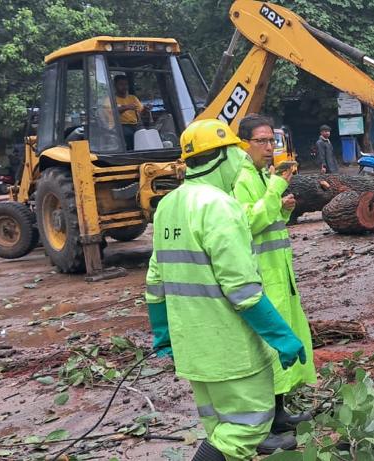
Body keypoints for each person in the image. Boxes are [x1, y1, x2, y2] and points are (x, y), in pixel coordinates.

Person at [145, 119, 306, 460]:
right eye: (237, 152)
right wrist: (282, 337)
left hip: (193, 348)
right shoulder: (220, 206)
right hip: (229, 348)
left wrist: (163, 333)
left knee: (218, 426)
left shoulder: (168, 206)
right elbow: (242, 289)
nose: (242, 160)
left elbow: (155, 281)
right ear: (222, 157)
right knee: (246, 427)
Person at [232, 114, 317, 438]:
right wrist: (277, 189)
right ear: (245, 143)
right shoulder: (241, 178)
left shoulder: (258, 174)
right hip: (260, 278)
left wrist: (283, 207)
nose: (269, 148)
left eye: (273, 141)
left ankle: (279, 414)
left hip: (279, 274)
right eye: (262, 141)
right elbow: (248, 222)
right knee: (264, 351)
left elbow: (266, 217)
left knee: (280, 344)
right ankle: (261, 427)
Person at [114, 75, 148, 150]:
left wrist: (145, 109)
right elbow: (112, 112)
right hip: (121, 125)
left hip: (135, 124)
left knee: (145, 134)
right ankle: (131, 152)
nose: (124, 87)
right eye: (121, 84)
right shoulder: (111, 99)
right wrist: (127, 107)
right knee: (128, 134)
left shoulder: (133, 98)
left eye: (126, 84)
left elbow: (141, 112)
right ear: (115, 86)